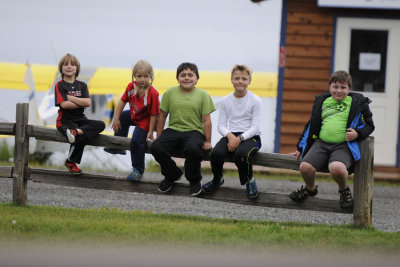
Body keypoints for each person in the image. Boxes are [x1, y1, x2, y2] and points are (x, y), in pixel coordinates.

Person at [289, 70, 374, 210]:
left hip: (343, 145)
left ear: (349, 88)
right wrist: (300, 147)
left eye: (343, 87)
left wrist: (357, 133)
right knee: (305, 167)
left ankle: (343, 190)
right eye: (335, 87)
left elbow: (369, 125)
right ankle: (310, 188)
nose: (339, 91)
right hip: (321, 144)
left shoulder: (358, 103)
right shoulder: (322, 101)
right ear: (330, 87)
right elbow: (311, 126)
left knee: (337, 169)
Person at [150, 62, 215, 196]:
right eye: (183, 75)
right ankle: (172, 174)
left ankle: (194, 180)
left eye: (190, 75)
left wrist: (208, 141)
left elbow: (207, 120)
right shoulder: (169, 93)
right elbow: (162, 116)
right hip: (173, 130)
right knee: (156, 147)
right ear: (177, 78)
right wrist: (159, 136)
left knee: (193, 149)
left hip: (195, 132)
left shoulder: (203, 95)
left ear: (197, 78)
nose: (186, 78)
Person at [202, 64, 262, 199]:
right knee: (215, 153)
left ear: (249, 81)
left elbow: (256, 128)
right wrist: (230, 136)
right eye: (237, 78)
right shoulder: (226, 100)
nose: (240, 81)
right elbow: (221, 126)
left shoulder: (255, 100)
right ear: (231, 80)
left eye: (244, 79)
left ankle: (249, 180)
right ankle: (217, 179)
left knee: (241, 154)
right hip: (231, 135)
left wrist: (239, 139)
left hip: (251, 137)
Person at [105, 60, 160, 181]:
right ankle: (118, 146)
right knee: (123, 117)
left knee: (136, 140)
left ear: (151, 76)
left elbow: (153, 115)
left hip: (146, 120)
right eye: (139, 76)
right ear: (134, 76)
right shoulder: (131, 87)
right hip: (135, 115)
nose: (143, 79)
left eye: (146, 76)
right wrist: (116, 119)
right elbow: (122, 101)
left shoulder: (153, 94)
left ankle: (138, 170)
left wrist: (151, 132)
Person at [55, 53, 105, 174]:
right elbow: (64, 105)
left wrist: (70, 98)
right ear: (61, 68)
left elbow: (87, 102)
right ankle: (71, 161)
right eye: (66, 64)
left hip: (81, 119)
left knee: (101, 124)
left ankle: (75, 133)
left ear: (77, 68)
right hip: (64, 121)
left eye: (72, 64)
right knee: (79, 137)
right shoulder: (59, 85)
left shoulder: (82, 85)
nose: (69, 67)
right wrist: (80, 102)